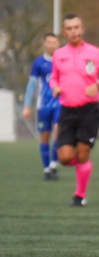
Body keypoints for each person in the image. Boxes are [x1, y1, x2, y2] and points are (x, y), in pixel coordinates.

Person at [49, 14, 99, 206]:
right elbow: (54, 78)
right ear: (64, 32)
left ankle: (79, 195)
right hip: (67, 111)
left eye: (76, 27)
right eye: (69, 28)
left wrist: (98, 86)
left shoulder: (94, 53)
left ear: (82, 28)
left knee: (83, 153)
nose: (73, 32)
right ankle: (83, 164)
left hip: (89, 111)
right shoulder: (59, 54)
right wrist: (54, 87)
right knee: (65, 158)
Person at [22, 33, 62, 180]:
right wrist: (27, 105)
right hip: (43, 105)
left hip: (60, 103)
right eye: (49, 42)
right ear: (44, 44)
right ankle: (46, 169)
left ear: (58, 43)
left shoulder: (63, 60)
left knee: (59, 131)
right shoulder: (38, 63)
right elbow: (32, 85)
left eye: (54, 42)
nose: (51, 45)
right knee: (45, 136)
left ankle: (53, 165)